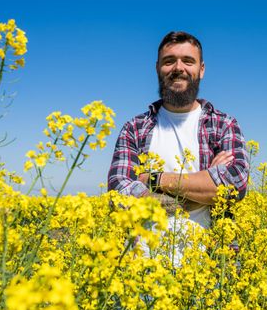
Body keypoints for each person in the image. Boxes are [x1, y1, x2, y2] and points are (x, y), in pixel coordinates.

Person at [107, 31, 249, 229]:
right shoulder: (134, 129)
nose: (178, 68)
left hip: (212, 257)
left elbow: (235, 185)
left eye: (188, 61)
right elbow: (119, 194)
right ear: (158, 69)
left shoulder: (223, 125)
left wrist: (152, 179)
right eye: (169, 61)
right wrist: (204, 188)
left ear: (201, 69)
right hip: (141, 258)